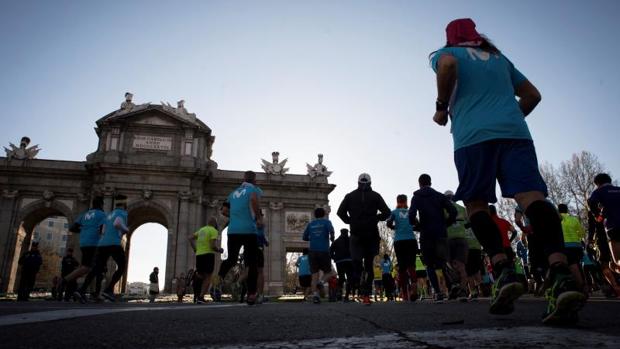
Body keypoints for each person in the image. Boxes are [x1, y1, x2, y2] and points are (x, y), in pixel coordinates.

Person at [429, 18, 584, 323]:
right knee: (533, 199)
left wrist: (441, 106)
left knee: (475, 204)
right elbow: (533, 95)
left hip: (473, 137)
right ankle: (560, 271)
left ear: (450, 38)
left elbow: (447, 66)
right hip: (516, 134)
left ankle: (502, 269)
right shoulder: (500, 59)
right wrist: (511, 117)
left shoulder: (445, 53)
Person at [337, 173, 391, 305]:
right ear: (370, 183)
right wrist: (376, 218)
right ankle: (366, 293)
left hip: (356, 234)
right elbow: (387, 212)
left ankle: (357, 282)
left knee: (356, 263)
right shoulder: (376, 196)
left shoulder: (350, 196)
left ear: (358, 182)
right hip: (371, 234)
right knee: (369, 265)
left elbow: (340, 212)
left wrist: (350, 221)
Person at [215, 171, 263, 305]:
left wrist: (235, 217)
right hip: (249, 230)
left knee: (231, 259)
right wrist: (258, 218)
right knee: (251, 263)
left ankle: (218, 280)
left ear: (243, 179)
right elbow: (253, 199)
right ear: (254, 180)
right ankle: (251, 294)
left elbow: (224, 210)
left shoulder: (233, 193)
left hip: (233, 230)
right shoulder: (254, 189)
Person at [409, 174, 457, 303]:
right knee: (443, 261)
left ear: (419, 183)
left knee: (429, 264)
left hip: (426, 234)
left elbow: (411, 215)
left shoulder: (416, 197)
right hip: (440, 232)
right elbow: (453, 211)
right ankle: (452, 287)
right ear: (430, 182)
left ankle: (438, 292)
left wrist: (418, 226)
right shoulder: (439, 196)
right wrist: (446, 223)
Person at [76, 194, 129, 303]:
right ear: (124, 204)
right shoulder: (122, 213)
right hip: (113, 243)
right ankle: (109, 290)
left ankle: (82, 290)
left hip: (102, 244)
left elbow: (103, 230)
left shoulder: (109, 214)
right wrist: (125, 230)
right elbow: (117, 223)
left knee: (97, 268)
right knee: (122, 266)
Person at [64, 197, 106, 296]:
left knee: (88, 267)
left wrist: (84, 230)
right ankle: (68, 282)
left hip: (83, 243)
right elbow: (102, 230)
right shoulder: (102, 215)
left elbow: (73, 228)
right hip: (94, 243)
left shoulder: (84, 214)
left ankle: (88, 291)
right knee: (92, 268)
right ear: (101, 205)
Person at [386, 194, 419, 301]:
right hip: (411, 240)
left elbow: (388, 223)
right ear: (406, 201)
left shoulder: (394, 212)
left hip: (399, 241)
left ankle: (405, 294)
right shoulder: (411, 212)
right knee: (411, 266)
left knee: (402, 268)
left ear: (397, 201)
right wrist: (410, 228)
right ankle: (414, 290)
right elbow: (417, 225)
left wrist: (395, 227)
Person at [302, 207, 336, 304]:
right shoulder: (326, 222)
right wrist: (332, 237)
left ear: (314, 215)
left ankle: (315, 296)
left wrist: (313, 239)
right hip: (324, 251)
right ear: (324, 214)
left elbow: (304, 237)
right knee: (330, 272)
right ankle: (321, 283)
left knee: (314, 275)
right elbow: (331, 230)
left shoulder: (310, 224)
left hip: (312, 252)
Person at [588, 174, 620, 273]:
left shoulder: (598, 191)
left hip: (613, 227)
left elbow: (591, 203)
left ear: (597, 184)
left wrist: (598, 217)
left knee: (617, 261)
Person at [188, 217, 224, 304]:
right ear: (215, 224)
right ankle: (201, 297)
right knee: (208, 277)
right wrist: (219, 250)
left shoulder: (201, 230)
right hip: (208, 255)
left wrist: (194, 248)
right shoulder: (213, 231)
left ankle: (196, 292)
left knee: (200, 275)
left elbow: (190, 238)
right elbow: (212, 245)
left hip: (199, 255)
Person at [444, 190, 471, 301]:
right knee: (462, 266)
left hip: (449, 239)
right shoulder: (462, 209)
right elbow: (468, 224)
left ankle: (455, 286)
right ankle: (463, 290)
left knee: (449, 265)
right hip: (462, 239)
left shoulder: (443, 208)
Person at [557, 204, 586, 293]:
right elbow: (582, 234)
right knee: (577, 265)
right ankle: (585, 286)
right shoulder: (574, 219)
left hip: (565, 246)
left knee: (570, 266)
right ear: (567, 210)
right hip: (577, 246)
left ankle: (579, 287)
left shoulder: (557, 220)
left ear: (558, 211)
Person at [329, 228, 354, 302]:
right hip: (349, 261)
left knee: (341, 277)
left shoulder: (336, 241)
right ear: (347, 233)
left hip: (339, 261)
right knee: (349, 278)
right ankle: (346, 296)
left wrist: (334, 258)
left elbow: (330, 251)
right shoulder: (350, 240)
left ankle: (339, 294)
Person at [256, 213, 269, 304]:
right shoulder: (260, 227)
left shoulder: (248, 224)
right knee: (260, 272)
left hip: (248, 249)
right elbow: (265, 241)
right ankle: (260, 295)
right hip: (258, 250)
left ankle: (238, 282)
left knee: (249, 270)